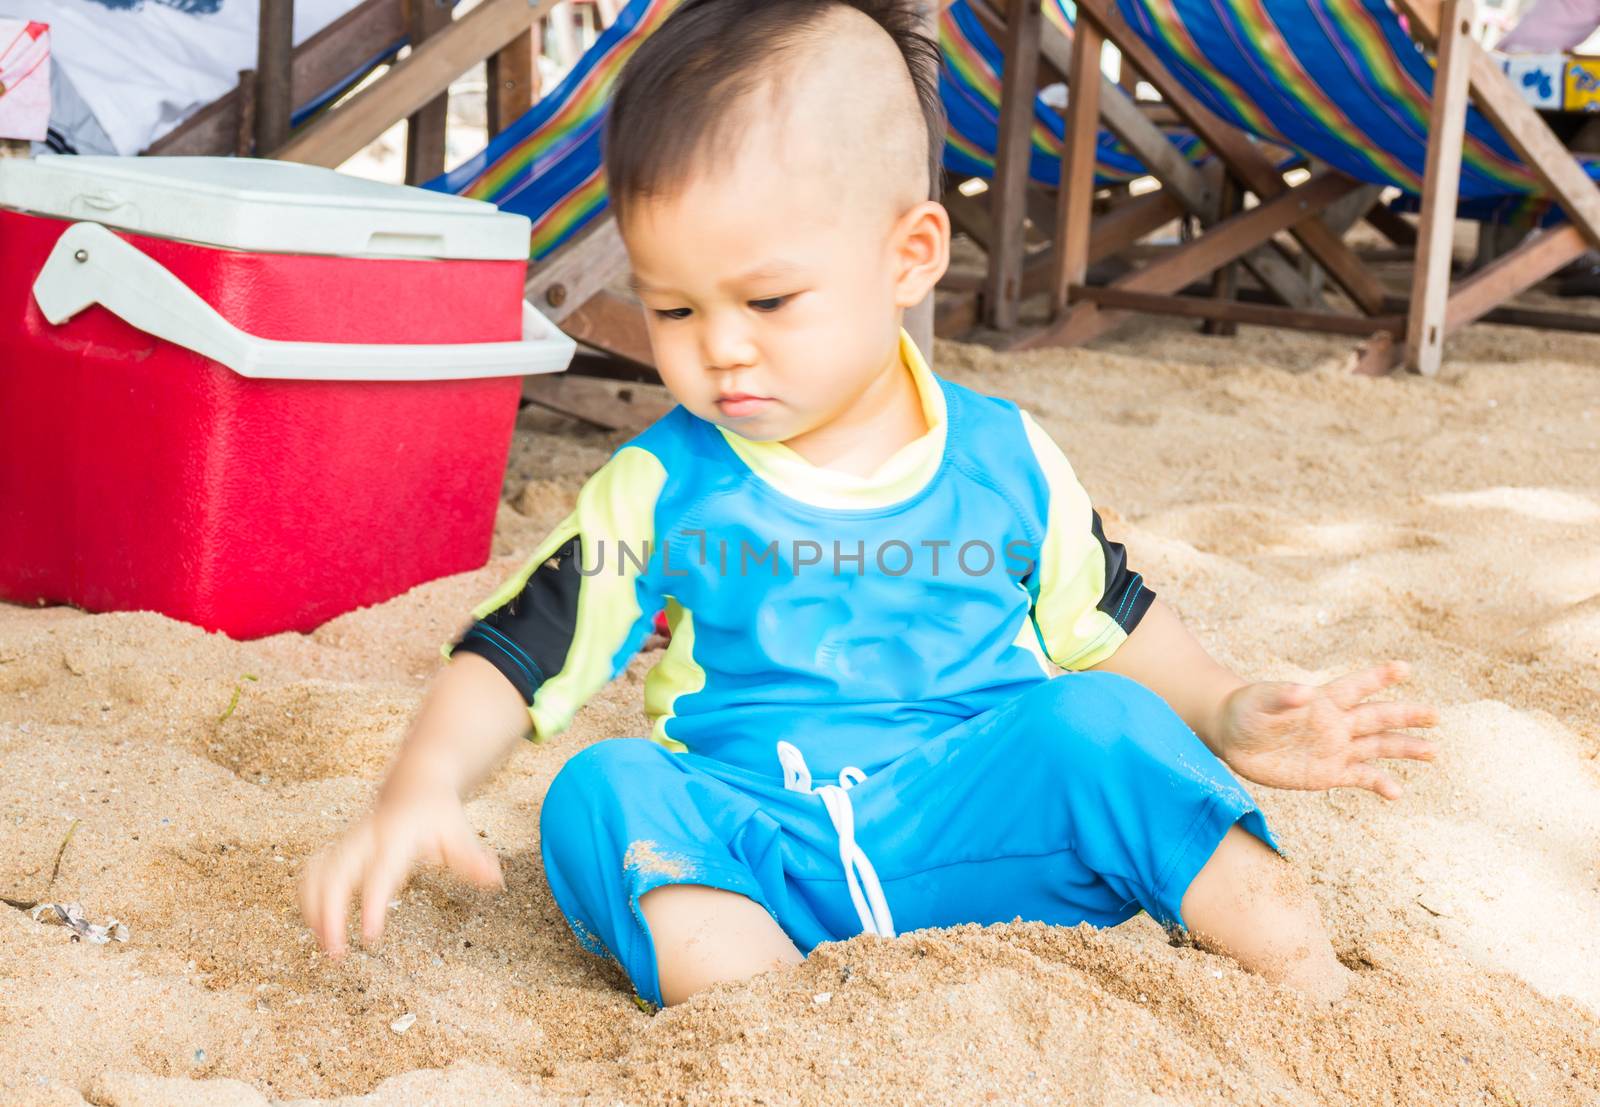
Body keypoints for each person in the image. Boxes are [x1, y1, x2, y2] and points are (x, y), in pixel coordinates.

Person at [301, 0, 1438, 1011]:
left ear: (908, 256)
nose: (721, 350)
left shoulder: (1004, 459)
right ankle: (782, 1023)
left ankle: (1311, 988)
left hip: (985, 836)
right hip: (761, 847)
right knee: (602, 791)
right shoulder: (662, 484)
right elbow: (515, 654)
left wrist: (1229, 710)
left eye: (766, 299)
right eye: (674, 311)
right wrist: (422, 783)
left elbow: (1114, 620)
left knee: (1102, 724)